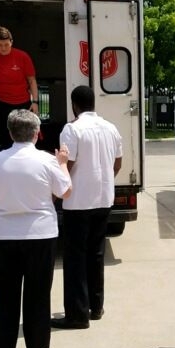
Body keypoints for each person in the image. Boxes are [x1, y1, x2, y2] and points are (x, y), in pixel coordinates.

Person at [0, 109, 72, 348]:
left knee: (5, 301)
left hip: (3, 236)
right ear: (37, 133)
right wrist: (62, 163)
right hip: (40, 236)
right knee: (38, 301)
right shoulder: (47, 160)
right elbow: (66, 191)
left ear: (10, 132)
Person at [51, 85, 122, 330]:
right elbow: (117, 163)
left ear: (74, 105)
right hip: (104, 199)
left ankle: (77, 314)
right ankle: (96, 306)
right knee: (96, 254)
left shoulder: (72, 129)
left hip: (78, 202)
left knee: (75, 259)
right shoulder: (111, 128)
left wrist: (55, 194)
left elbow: (66, 165)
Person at [0, 26, 39, 150]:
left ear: (11, 42)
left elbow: (32, 80)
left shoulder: (22, 56)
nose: (3, 48)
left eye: (6, 44)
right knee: (1, 136)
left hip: (21, 102)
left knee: (23, 135)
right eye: (0, 45)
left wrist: (35, 102)